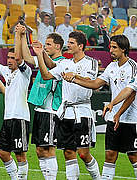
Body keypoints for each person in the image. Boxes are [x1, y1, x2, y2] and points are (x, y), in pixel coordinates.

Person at [63, 35, 137, 180]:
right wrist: (75, 78)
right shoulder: (111, 66)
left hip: (131, 119)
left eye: (114, 47)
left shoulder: (133, 67)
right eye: (110, 46)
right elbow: (95, 84)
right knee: (110, 155)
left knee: (133, 156)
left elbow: (130, 93)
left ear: (123, 49)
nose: (111, 50)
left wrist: (113, 105)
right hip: (113, 118)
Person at [34, 31, 100, 180]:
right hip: (66, 112)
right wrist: (39, 55)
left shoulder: (91, 62)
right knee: (68, 152)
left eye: (71, 43)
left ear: (80, 46)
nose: (68, 45)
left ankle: (98, 178)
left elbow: (92, 83)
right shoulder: (65, 63)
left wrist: (75, 77)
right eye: (68, 42)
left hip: (82, 111)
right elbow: (46, 75)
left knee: (83, 153)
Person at [0, 27, 32, 180]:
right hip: (8, 119)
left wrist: (18, 35)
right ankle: (15, 178)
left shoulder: (25, 72)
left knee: (20, 154)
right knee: (3, 153)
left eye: (13, 58)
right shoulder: (7, 71)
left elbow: (20, 59)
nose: (10, 60)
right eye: (9, 58)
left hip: (20, 118)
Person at [27, 33, 66, 179]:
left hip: (51, 110)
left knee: (49, 149)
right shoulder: (45, 59)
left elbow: (47, 72)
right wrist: (22, 36)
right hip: (40, 108)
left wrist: (41, 52)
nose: (46, 46)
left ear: (58, 46)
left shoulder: (63, 63)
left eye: (49, 44)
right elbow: (26, 57)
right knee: (39, 150)